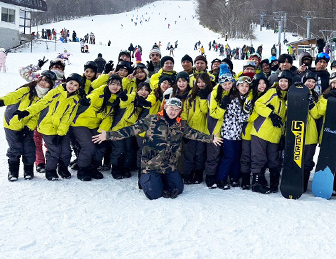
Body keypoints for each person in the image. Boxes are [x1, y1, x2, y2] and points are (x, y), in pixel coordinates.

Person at [93, 98, 222, 200]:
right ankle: (145, 177)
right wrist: (108, 135)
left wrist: (211, 139)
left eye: (176, 110)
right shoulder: (152, 119)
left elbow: (194, 133)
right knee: (154, 195)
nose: (173, 111)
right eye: (171, 108)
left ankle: (162, 179)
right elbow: (131, 130)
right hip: (151, 166)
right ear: (165, 107)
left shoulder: (181, 124)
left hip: (169, 166)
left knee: (178, 189)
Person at [19, 73, 82, 180]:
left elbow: (68, 117)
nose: (72, 86)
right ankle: (50, 170)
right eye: (71, 83)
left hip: (62, 128)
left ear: (78, 87)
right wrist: (27, 112)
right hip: (47, 127)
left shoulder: (75, 99)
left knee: (66, 150)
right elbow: (42, 103)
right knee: (54, 150)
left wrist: (61, 133)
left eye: (76, 85)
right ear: (66, 82)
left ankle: (63, 168)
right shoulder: (55, 92)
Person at [2, 70, 56, 180]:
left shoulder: (46, 98)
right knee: (15, 148)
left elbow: (37, 115)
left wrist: (28, 128)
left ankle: (28, 170)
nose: (43, 82)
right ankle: (13, 172)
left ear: (50, 85)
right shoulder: (28, 90)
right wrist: (2, 101)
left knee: (29, 149)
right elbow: (13, 96)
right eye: (42, 79)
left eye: (47, 81)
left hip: (28, 127)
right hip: (12, 123)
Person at [251, 70, 291, 193]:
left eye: (286, 81)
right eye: (281, 81)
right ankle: (257, 183)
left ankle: (274, 183)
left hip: (275, 135)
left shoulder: (288, 98)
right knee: (259, 157)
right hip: (261, 131)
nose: (283, 83)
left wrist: (284, 135)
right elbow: (258, 104)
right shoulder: (272, 92)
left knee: (274, 159)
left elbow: (285, 119)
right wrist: (271, 114)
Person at [216, 76, 252, 189]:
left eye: (247, 86)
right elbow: (239, 117)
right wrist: (247, 112)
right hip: (229, 132)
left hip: (238, 134)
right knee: (229, 156)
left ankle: (234, 177)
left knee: (236, 156)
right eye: (242, 86)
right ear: (237, 86)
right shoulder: (233, 99)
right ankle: (221, 179)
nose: (244, 88)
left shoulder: (245, 98)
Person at [183, 73, 213, 184]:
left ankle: (198, 173)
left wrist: (203, 98)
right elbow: (185, 109)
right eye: (198, 82)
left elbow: (205, 111)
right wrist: (184, 122)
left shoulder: (210, 94)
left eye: (203, 82)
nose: (201, 84)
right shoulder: (191, 93)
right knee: (189, 154)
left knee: (200, 154)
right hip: (191, 128)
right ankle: (188, 173)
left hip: (202, 129)